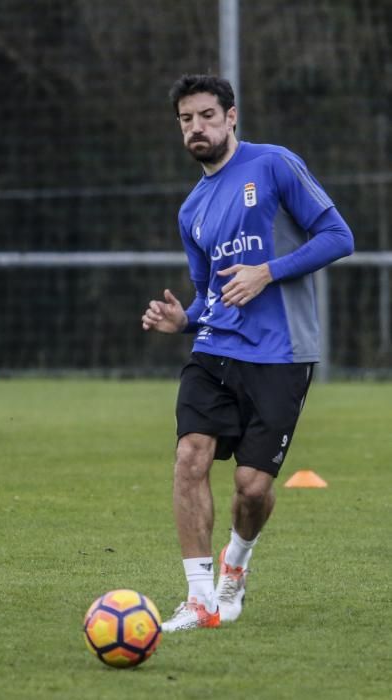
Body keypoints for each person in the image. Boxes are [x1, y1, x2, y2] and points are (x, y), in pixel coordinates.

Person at [142, 74, 354, 632]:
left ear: (231, 116)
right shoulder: (192, 210)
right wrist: (182, 320)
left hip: (283, 354)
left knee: (252, 488)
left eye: (207, 116)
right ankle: (199, 599)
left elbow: (339, 236)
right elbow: (208, 293)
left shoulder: (274, 164)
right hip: (216, 349)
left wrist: (268, 272)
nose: (197, 128)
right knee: (190, 457)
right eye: (187, 120)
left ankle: (234, 570)